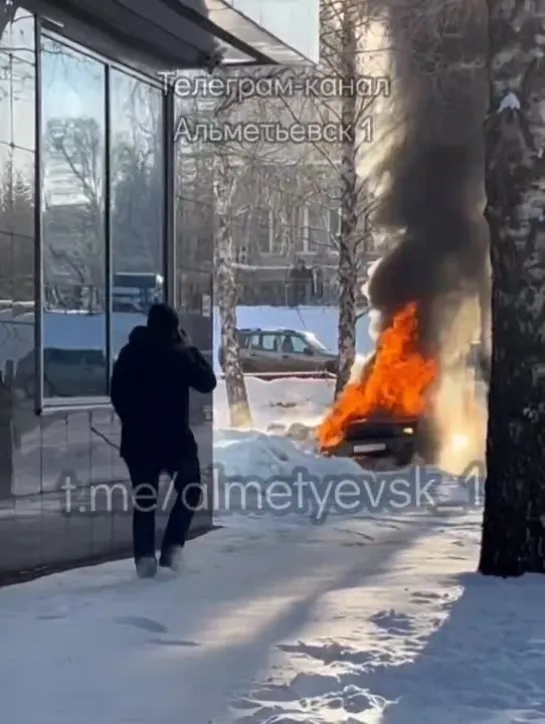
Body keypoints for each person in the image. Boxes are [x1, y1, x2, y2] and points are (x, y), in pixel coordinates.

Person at [110, 302, 217, 578]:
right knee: (190, 488)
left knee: (145, 498)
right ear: (174, 329)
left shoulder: (130, 353)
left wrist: (132, 422)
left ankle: (145, 559)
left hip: (138, 442)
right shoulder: (179, 355)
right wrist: (191, 348)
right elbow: (208, 382)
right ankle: (172, 547)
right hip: (174, 441)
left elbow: (117, 394)